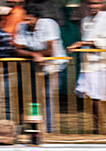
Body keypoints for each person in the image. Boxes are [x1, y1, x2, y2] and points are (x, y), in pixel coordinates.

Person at [14, 2, 66, 132]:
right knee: (32, 98)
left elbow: (50, 51)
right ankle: (34, 127)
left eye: (29, 19)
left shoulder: (48, 24)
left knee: (47, 97)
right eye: (24, 19)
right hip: (34, 66)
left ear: (37, 18)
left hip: (53, 66)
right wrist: (34, 55)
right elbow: (17, 49)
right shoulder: (21, 26)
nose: (26, 22)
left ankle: (48, 129)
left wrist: (34, 54)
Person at [70, 0, 106, 134]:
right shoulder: (85, 21)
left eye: (96, 3)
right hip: (87, 64)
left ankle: (101, 127)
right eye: (91, 3)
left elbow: (105, 42)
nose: (93, 6)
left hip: (102, 63)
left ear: (103, 4)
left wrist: (82, 43)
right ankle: (97, 126)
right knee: (88, 96)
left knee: (99, 98)